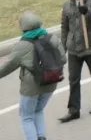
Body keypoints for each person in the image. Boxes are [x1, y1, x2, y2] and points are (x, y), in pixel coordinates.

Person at [0, 12, 66, 140]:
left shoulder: (22, 45)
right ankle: (41, 137)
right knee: (38, 110)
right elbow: (63, 59)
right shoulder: (53, 38)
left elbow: (9, 66)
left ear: (23, 27)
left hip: (31, 87)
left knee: (27, 117)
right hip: (51, 81)